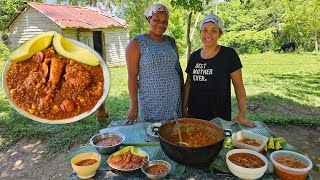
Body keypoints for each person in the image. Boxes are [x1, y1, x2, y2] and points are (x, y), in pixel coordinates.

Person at [183, 14, 256, 127]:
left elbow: (238, 86)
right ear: (200, 33)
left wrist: (242, 113)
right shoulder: (194, 57)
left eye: (214, 31)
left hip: (219, 117)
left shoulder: (229, 55)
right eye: (205, 30)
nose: (208, 34)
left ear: (220, 34)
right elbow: (188, 83)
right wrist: (184, 107)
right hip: (195, 115)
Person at [125, 4, 183, 124]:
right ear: (148, 19)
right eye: (156, 20)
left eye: (164, 21)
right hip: (151, 101)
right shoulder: (137, 43)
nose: (161, 24)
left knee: (174, 134)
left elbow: (178, 70)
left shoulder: (171, 42)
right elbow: (132, 76)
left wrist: (183, 97)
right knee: (153, 135)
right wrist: (134, 104)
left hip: (174, 100)